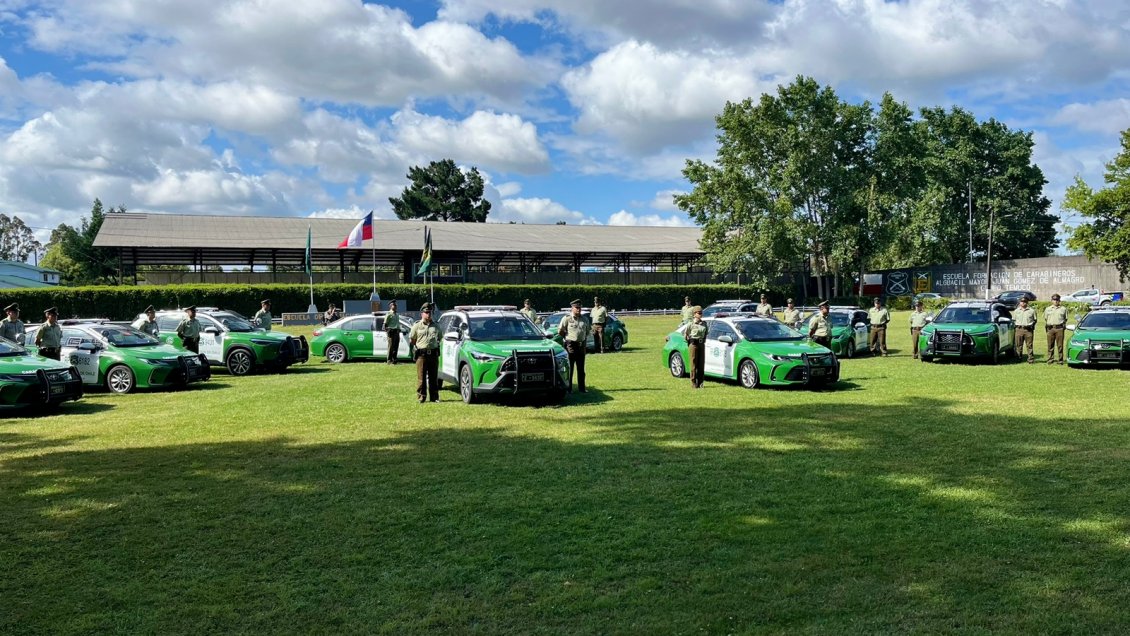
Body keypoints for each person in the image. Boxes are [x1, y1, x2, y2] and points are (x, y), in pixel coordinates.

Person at [408, 303, 441, 402]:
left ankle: (434, 397)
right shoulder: (417, 326)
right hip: (421, 355)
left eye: (430, 312)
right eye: (426, 312)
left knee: (433, 377)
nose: (428, 314)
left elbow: (440, 338)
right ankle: (421, 397)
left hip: (433, 355)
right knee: (421, 378)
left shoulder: (436, 326)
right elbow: (412, 340)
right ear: (421, 314)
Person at [559, 299, 591, 392]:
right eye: (576, 308)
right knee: (570, 368)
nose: (578, 309)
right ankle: (569, 388)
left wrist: (583, 341)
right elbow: (560, 330)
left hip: (581, 345)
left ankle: (582, 388)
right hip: (570, 345)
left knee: (581, 369)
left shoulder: (584, 319)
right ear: (572, 308)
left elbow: (587, 331)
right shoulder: (567, 318)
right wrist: (567, 338)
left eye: (579, 308)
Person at [681, 306, 707, 388]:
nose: (700, 315)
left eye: (701, 313)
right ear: (694, 314)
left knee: (701, 364)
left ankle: (700, 383)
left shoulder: (704, 324)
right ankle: (693, 383)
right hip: (693, 345)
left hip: (701, 345)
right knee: (693, 365)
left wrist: (702, 341)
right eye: (698, 313)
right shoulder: (690, 324)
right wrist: (690, 343)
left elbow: (706, 334)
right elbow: (686, 334)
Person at [1012, 296, 1037, 363]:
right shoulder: (1016, 311)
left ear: (1027, 302)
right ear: (1020, 302)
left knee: (1029, 345)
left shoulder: (1032, 311)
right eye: (1021, 302)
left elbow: (1035, 320)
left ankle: (1030, 359)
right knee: (1018, 345)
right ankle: (1018, 358)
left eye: (1024, 302)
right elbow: (1013, 320)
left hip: (1028, 330)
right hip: (1019, 329)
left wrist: (1032, 325)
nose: (1023, 303)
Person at [1044, 293, 1068, 364]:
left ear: (1059, 301)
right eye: (1054, 300)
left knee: (1060, 345)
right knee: (1050, 345)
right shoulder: (1048, 309)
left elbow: (1065, 318)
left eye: (1057, 300)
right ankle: (1050, 359)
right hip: (1050, 328)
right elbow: (1046, 318)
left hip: (1059, 328)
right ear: (1051, 300)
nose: (1056, 301)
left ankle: (1060, 360)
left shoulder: (1063, 309)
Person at [383, 300, 401, 365]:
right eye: (394, 305)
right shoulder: (389, 314)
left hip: (396, 332)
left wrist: (399, 329)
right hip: (391, 332)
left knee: (396, 346)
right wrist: (388, 332)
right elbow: (385, 325)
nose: (396, 306)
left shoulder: (397, 314)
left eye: (396, 305)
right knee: (391, 346)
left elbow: (397, 324)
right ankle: (389, 360)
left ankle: (394, 360)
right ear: (391, 306)